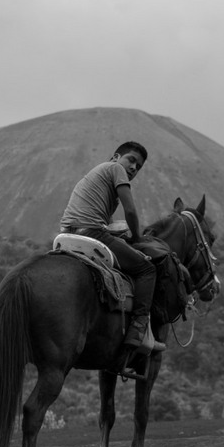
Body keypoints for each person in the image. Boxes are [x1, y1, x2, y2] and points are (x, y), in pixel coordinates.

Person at [60, 141, 165, 354]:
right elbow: (131, 212)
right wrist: (137, 238)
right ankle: (139, 330)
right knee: (146, 269)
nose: (134, 167)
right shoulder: (116, 169)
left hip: (68, 233)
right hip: (91, 232)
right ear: (117, 156)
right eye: (132, 160)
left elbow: (104, 221)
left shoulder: (97, 174)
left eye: (139, 166)